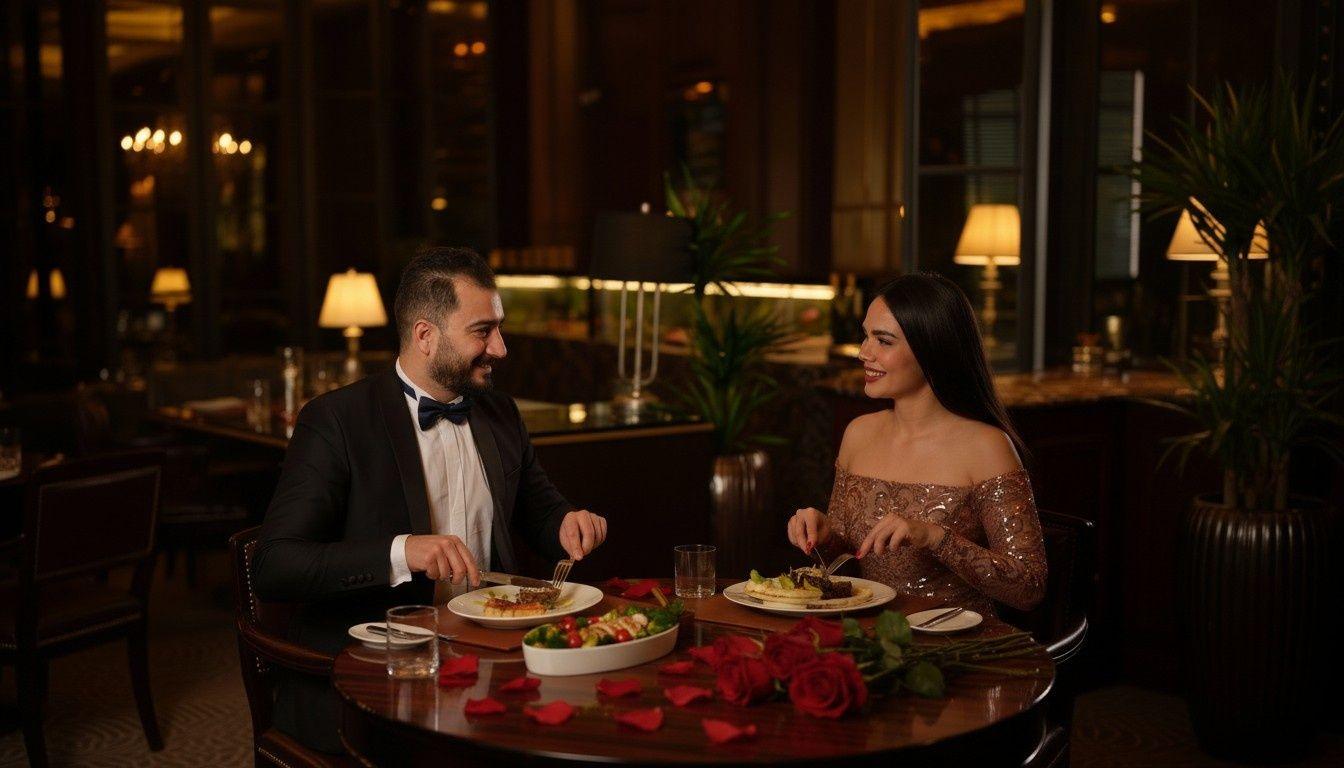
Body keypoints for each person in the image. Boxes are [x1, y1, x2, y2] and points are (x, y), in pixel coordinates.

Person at [253, 246, 607, 753]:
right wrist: (403, 551)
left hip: (495, 656)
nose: (501, 348)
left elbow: (541, 510)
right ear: (425, 335)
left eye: (499, 328)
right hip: (377, 671)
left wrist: (568, 522)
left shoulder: (500, 413)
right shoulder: (336, 421)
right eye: (483, 331)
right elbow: (275, 565)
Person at [786, 272, 1045, 615]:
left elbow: (1029, 586)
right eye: (866, 336)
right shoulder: (859, 433)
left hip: (953, 640)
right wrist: (823, 535)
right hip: (867, 632)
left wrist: (935, 538)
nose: (864, 352)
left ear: (931, 349)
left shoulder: (987, 447)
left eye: (883, 341)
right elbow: (848, 565)